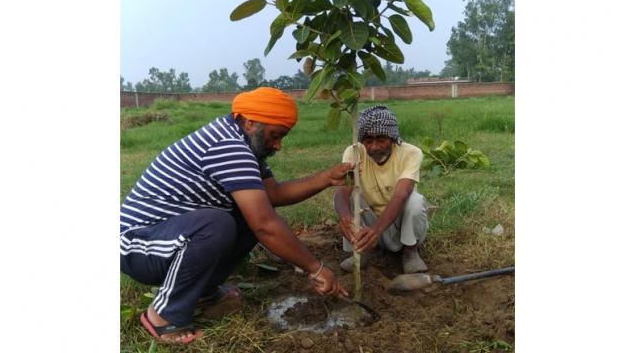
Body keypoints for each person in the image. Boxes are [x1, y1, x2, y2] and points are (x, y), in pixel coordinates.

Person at [120, 87, 350, 345]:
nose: (278, 145)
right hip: (138, 244)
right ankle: (162, 315)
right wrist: (315, 268)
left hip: (173, 235)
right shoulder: (228, 146)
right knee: (218, 224)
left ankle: (202, 292)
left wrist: (326, 178)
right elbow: (265, 226)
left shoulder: (244, 142)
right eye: (275, 135)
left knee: (246, 214)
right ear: (251, 122)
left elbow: (271, 194)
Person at [333, 105, 430, 275]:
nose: (375, 147)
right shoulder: (354, 152)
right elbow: (342, 189)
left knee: (415, 200)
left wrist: (376, 230)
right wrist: (345, 217)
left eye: (381, 140)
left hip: (399, 224)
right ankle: (362, 250)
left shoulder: (411, 153)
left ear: (393, 138)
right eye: (368, 141)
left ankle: (410, 252)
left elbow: (402, 194)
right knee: (348, 198)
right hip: (369, 223)